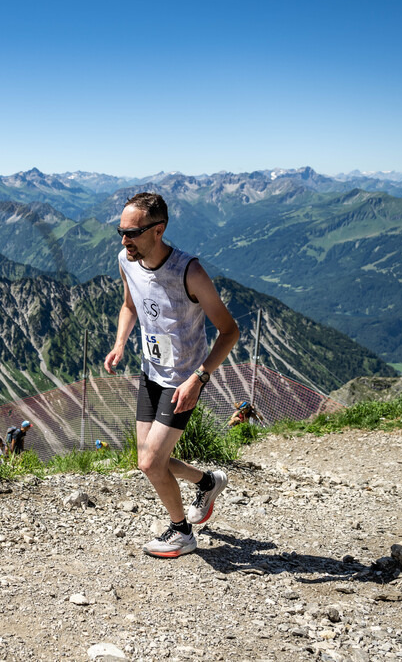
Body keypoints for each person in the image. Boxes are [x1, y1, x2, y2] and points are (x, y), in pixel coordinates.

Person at [104, 192, 240, 558]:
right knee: (148, 460)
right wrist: (120, 343)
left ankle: (181, 533)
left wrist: (200, 378)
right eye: (120, 231)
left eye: (131, 232)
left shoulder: (189, 271)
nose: (123, 240)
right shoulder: (125, 260)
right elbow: (130, 305)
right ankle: (208, 482)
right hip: (151, 372)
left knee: (150, 462)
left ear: (158, 230)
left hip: (183, 380)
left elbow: (230, 331)